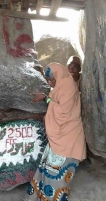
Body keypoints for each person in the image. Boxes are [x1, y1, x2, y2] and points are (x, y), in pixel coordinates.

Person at [26, 62, 86, 201]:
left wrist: (46, 99)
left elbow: (62, 113)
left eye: (52, 80)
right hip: (58, 139)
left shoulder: (69, 87)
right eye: (48, 80)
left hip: (68, 138)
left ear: (59, 76)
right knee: (47, 169)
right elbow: (57, 102)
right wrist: (46, 97)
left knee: (58, 175)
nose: (50, 83)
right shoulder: (60, 87)